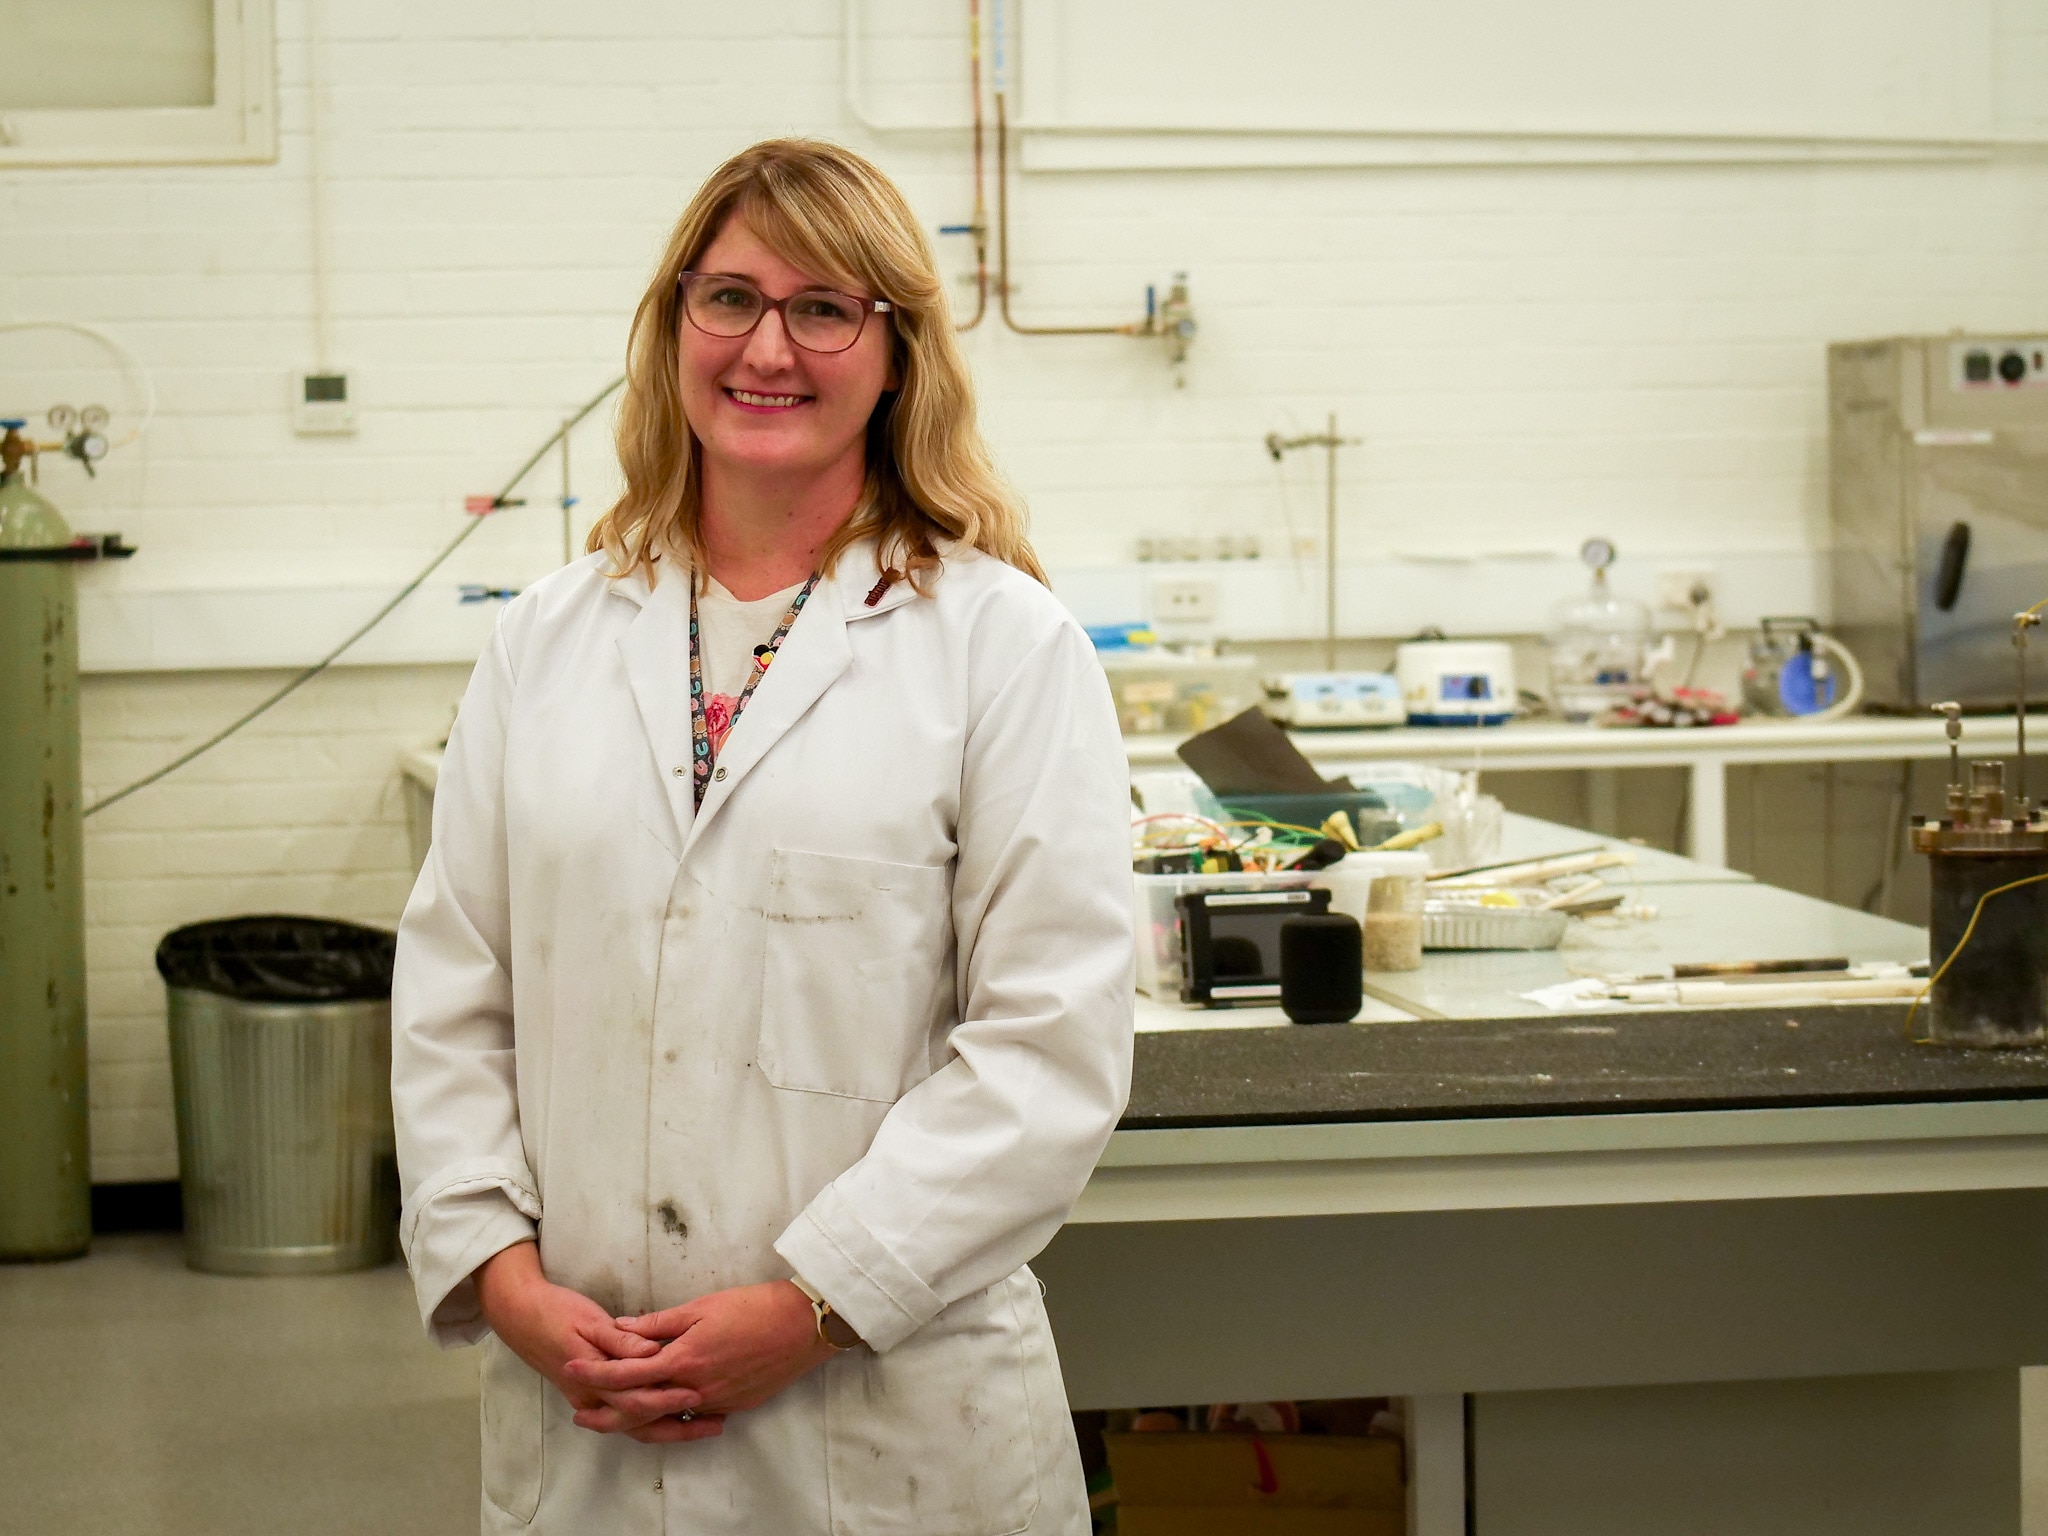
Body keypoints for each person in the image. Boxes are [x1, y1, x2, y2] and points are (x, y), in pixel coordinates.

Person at [390, 137, 1135, 1535]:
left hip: (887, 1426)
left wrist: (817, 1304)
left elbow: (1046, 1050)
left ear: (898, 351)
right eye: (727, 297)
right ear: (675, 325)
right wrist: (503, 1276)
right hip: (585, 1403)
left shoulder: (1000, 647)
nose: (767, 347)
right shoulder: (547, 643)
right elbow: (453, 995)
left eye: (824, 307)